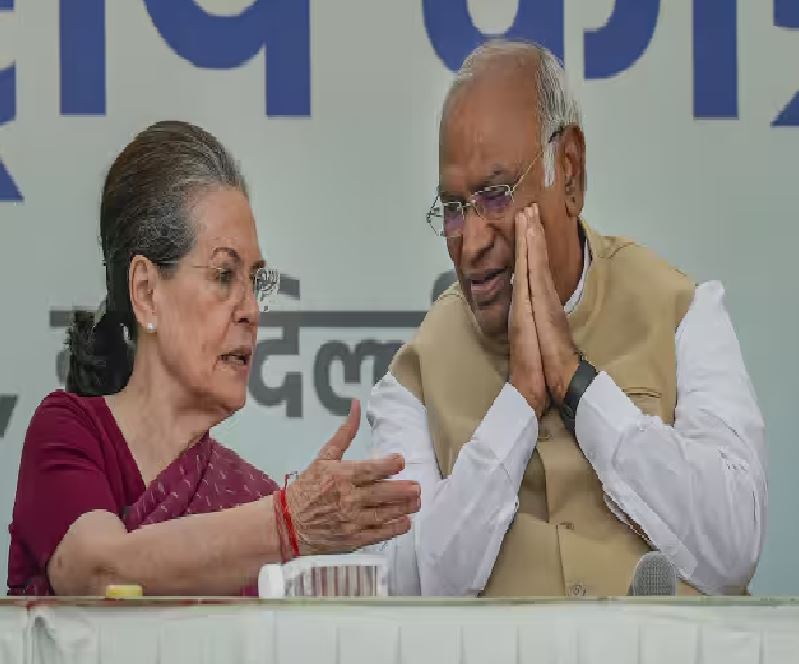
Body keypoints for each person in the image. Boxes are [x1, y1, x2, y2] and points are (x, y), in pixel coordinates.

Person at [367, 40, 766, 597]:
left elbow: (735, 547)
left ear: (569, 174)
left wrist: (579, 384)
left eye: (496, 195)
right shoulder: (413, 381)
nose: (471, 243)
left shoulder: (684, 314)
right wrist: (518, 406)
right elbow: (408, 592)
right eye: (455, 209)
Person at [7, 121, 420, 596]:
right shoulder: (70, 433)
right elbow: (98, 573)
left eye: (255, 282)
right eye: (224, 275)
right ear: (146, 292)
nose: (251, 310)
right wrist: (286, 525)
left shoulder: (250, 497)